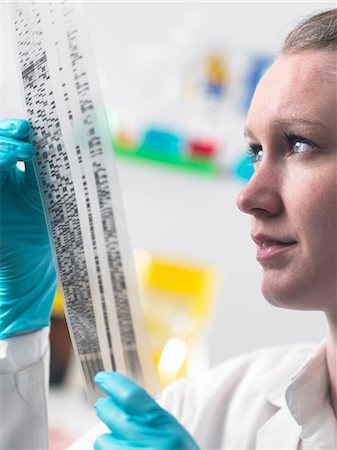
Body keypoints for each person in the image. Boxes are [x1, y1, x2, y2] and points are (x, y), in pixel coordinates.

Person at [0, 8, 336, 450]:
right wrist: (18, 334)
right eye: (255, 150)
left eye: (299, 144)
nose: (249, 196)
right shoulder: (215, 406)